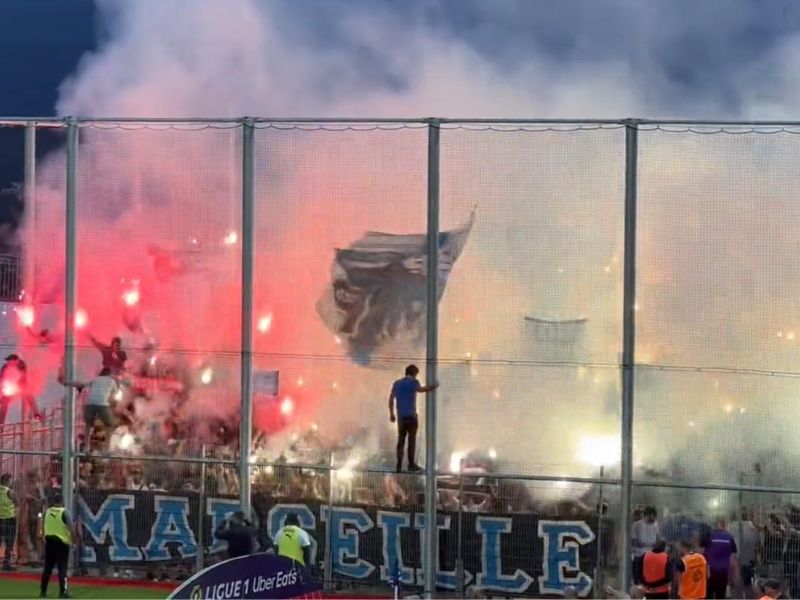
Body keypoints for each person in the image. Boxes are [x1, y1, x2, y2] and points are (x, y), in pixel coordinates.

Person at [388, 364, 438, 473]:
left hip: (401, 417)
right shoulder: (414, 383)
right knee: (412, 441)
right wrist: (433, 386)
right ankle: (411, 464)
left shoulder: (397, 383)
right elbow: (421, 389)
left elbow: (391, 399)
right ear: (414, 373)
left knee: (401, 440)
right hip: (411, 416)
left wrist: (392, 414)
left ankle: (399, 464)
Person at [64, 368, 118, 450]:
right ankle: (107, 449)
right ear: (110, 374)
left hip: (89, 403)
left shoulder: (95, 379)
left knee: (88, 425)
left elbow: (81, 384)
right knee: (110, 424)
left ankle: (86, 447)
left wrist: (68, 383)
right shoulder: (112, 381)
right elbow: (114, 396)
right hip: (102, 404)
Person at [40, 491, 75, 599]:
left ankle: (43, 591)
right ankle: (63, 591)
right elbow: (71, 529)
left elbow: (43, 525)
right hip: (61, 543)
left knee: (47, 568)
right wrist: (73, 541)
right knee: (62, 568)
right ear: (62, 501)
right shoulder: (65, 513)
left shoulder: (47, 511)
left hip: (49, 541)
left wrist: (44, 538)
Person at [0, 354, 42, 425]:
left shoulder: (21, 365)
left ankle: (36, 414)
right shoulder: (5, 367)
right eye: (8, 361)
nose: (8, 363)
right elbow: (1, 377)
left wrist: (17, 384)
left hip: (20, 385)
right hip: (8, 386)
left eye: (10, 361)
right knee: (4, 403)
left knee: (29, 396)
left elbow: (22, 376)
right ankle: (1, 424)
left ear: (15, 361)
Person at [703, 517, 739, 599]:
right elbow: (732, 557)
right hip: (724, 570)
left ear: (716, 525)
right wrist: (732, 573)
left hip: (710, 570)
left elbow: (704, 554)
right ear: (725, 525)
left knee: (708, 593)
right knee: (721, 594)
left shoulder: (710, 536)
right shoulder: (730, 537)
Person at [731, 509, 761, 599]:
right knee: (748, 586)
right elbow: (758, 546)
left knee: (736, 588)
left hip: (735, 562)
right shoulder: (753, 528)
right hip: (749, 562)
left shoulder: (731, 526)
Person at [632, 506, 660, 584]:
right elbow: (634, 541)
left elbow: (657, 537)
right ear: (646, 515)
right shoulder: (637, 525)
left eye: (654, 518)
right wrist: (645, 544)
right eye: (650, 517)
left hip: (652, 555)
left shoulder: (655, 524)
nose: (652, 520)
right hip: (640, 554)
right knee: (639, 575)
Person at [0, 474, 16, 571]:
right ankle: (6, 563)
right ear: (7, 481)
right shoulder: (9, 491)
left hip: (0, 518)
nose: (12, 482)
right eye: (11, 480)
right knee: (9, 542)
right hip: (9, 518)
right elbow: (17, 501)